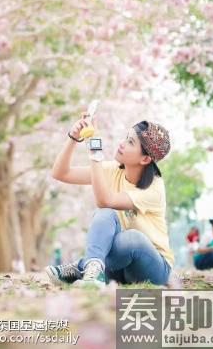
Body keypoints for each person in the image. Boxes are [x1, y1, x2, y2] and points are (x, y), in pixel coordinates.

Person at [46, 114, 174, 288]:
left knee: (132, 238)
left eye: (130, 143)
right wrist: (73, 138)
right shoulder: (113, 170)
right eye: (126, 138)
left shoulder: (154, 188)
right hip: (121, 267)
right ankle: (93, 272)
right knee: (105, 214)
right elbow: (61, 173)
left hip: (154, 268)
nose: (121, 144)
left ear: (145, 159)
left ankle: (81, 266)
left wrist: (95, 149)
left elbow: (105, 200)